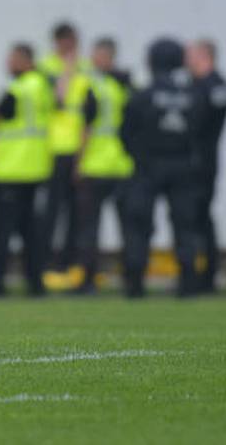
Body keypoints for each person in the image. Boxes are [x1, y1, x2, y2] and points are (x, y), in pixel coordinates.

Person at [120, 39, 206, 298]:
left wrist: (140, 157)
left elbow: (125, 132)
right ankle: (189, 283)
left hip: (148, 167)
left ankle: (135, 283)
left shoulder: (142, 96)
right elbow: (201, 132)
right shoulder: (193, 95)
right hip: (183, 166)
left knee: (138, 224)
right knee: (185, 224)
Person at [0, 43, 52, 297]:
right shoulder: (42, 86)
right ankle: (36, 284)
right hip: (36, 168)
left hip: (13, 169)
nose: (9, 63)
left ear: (25, 60)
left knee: (2, 231)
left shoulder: (18, 88)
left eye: (12, 59)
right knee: (31, 231)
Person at [72, 37, 134, 294]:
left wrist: (78, 161)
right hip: (121, 164)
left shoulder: (93, 86)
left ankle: (88, 281)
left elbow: (86, 127)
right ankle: (132, 280)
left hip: (96, 164)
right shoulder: (123, 86)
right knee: (127, 228)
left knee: (89, 228)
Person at [37, 22, 90, 271]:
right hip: (55, 146)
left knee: (76, 210)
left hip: (79, 146)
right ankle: (46, 258)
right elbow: (58, 99)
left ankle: (69, 260)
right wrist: (68, 69)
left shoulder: (86, 67)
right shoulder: (47, 67)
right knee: (51, 207)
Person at [186, 38, 226, 293]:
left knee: (200, 217)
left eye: (191, 54)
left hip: (203, 163)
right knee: (192, 219)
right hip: (191, 162)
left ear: (204, 55)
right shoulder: (193, 84)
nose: (187, 60)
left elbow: (203, 122)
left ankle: (207, 276)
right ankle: (195, 274)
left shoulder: (216, 86)